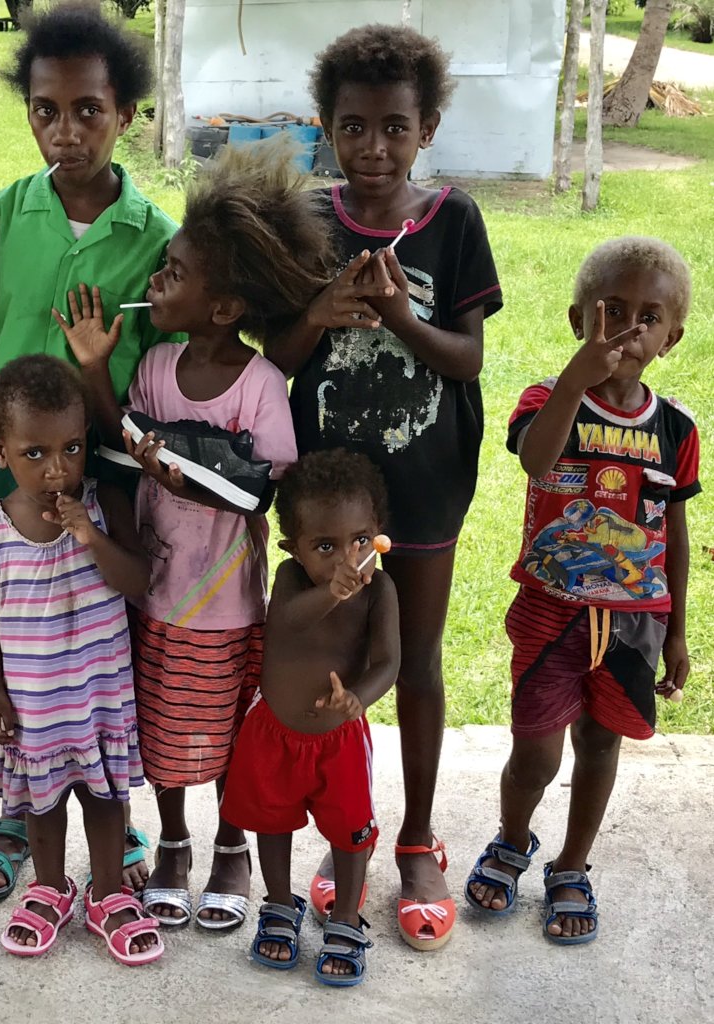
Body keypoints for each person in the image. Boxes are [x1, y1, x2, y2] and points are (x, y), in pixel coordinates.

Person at [54, 137, 333, 929]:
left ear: (225, 308)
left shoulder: (260, 385)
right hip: (156, 594)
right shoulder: (155, 367)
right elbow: (123, 441)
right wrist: (95, 368)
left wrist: (190, 475)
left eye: (173, 273)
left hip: (223, 606)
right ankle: (174, 841)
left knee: (229, 735)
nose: (155, 281)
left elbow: (265, 487)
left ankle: (232, 844)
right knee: (164, 733)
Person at [265, 24, 503, 949]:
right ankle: (347, 829)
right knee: (341, 662)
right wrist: (321, 310)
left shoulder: (454, 221)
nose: (373, 148)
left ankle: (416, 838)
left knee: (417, 662)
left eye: (395, 128)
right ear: (326, 126)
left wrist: (400, 314)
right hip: (328, 506)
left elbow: (467, 359)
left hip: (426, 488)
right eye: (354, 127)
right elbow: (276, 357)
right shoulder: (308, 219)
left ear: (427, 129)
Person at [0, 3, 179, 899]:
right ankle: (18, 807)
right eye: (46, 110)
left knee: (100, 634)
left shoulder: (157, 239)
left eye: (88, 110)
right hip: (5, 460)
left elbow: (160, 371)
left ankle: (111, 798)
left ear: (126, 115)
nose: (66, 130)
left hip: (100, 465)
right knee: (11, 631)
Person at [465, 237, 699, 945]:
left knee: (600, 743)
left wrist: (678, 630)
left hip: (636, 620)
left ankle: (571, 864)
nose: (628, 330)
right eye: (612, 311)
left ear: (672, 337)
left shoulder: (676, 428)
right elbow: (538, 463)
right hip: (551, 611)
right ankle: (512, 839)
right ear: (578, 320)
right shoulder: (547, 399)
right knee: (535, 753)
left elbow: (675, 532)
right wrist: (575, 380)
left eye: (649, 318)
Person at [0, 354, 163, 962]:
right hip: (35, 702)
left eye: (71, 449)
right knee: (44, 801)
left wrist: (90, 535)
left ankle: (107, 893)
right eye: (34, 453)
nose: (57, 469)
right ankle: (50, 887)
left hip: (99, 695)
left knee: (106, 800)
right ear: (0, 451)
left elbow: (137, 580)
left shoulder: (106, 504)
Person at [220, 449, 400, 986]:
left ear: (378, 534)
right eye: (326, 546)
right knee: (270, 822)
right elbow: (287, 624)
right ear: (292, 548)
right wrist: (330, 592)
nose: (348, 558)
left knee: (351, 832)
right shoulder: (292, 581)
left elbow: (388, 662)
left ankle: (345, 918)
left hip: (338, 739)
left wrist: (357, 699)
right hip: (274, 732)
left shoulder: (381, 591)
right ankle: (279, 904)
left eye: (360, 540)